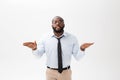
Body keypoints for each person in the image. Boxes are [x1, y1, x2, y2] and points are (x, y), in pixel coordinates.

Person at [23, 16, 94, 80]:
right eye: (55, 22)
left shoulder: (72, 38)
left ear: (64, 24)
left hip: (66, 73)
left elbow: (78, 58)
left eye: (60, 21)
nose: (57, 23)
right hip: (50, 73)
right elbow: (38, 56)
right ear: (52, 25)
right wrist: (34, 49)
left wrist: (82, 49)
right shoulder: (45, 38)